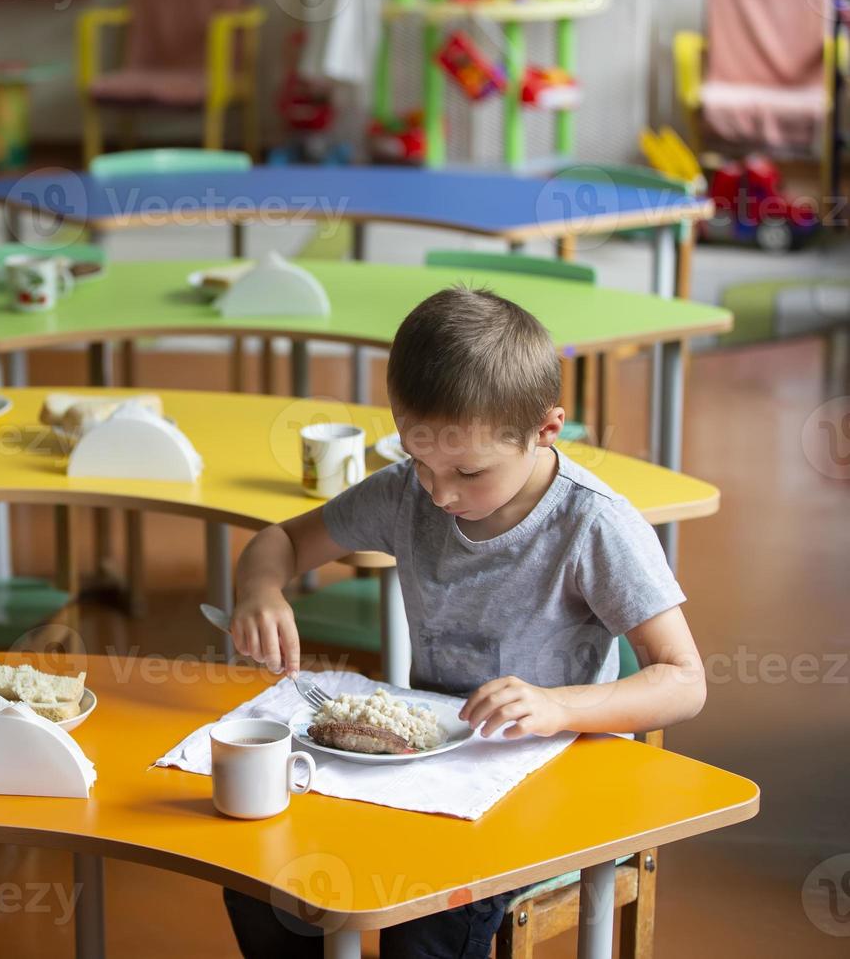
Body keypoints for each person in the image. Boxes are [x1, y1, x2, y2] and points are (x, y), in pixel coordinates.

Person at [221, 287, 708, 958]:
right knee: (260, 875)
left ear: (545, 429)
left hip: (550, 778)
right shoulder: (408, 493)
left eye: (467, 471)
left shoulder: (594, 526)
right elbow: (281, 539)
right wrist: (260, 587)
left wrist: (555, 705)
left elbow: (684, 681)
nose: (440, 492)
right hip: (425, 764)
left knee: (427, 920)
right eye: (420, 460)